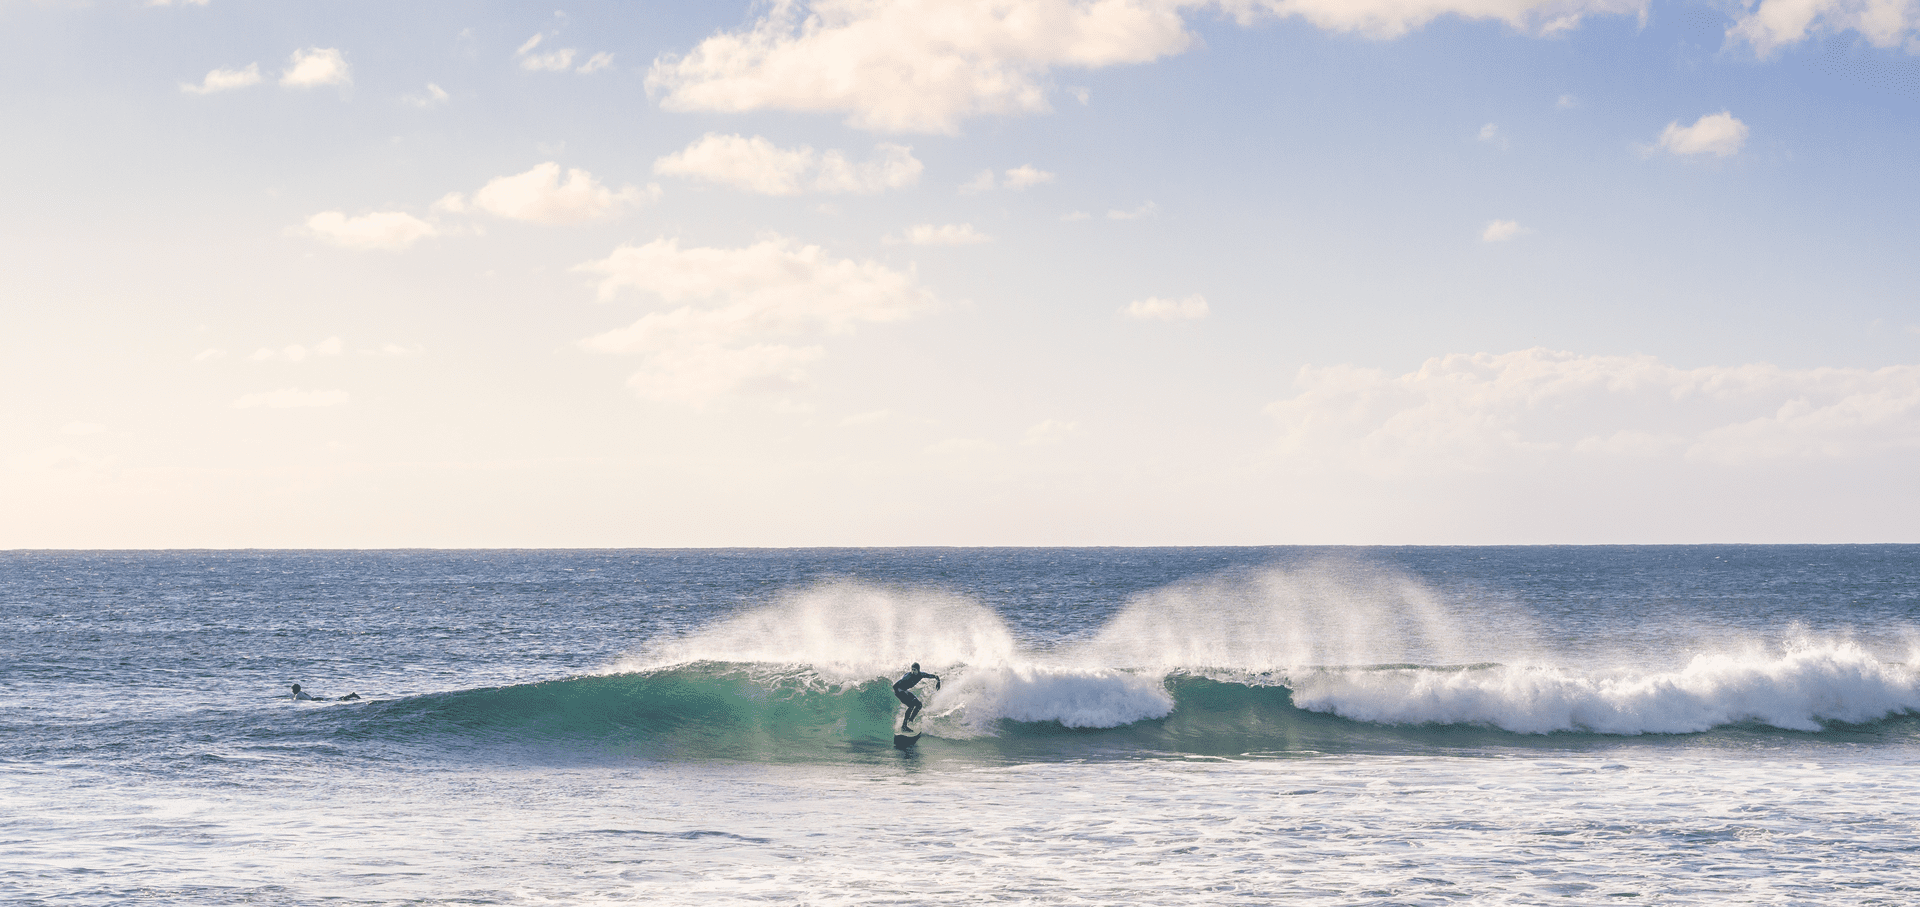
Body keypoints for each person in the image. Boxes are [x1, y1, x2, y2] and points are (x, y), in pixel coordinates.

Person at [892, 663, 941, 728]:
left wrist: (938, 681)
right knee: (911, 706)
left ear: (918, 670)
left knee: (919, 705)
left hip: (905, 691)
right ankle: (904, 726)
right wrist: (903, 691)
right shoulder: (908, 677)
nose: (912, 671)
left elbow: (934, 676)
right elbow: (895, 686)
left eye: (914, 670)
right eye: (912, 669)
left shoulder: (921, 675)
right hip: (899, 692)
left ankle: (910, 720)